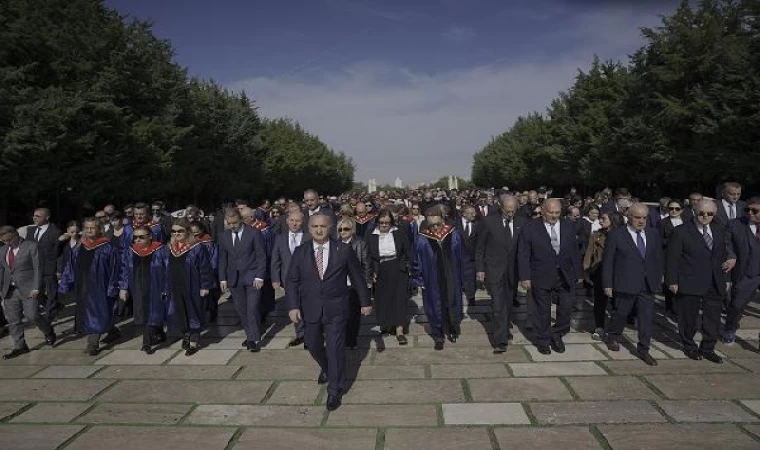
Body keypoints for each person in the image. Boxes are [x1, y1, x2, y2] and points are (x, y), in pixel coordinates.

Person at [286, 214, 372, 411]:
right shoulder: (301, 252)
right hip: (310, 309)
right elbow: (292, 280)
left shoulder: (343, 250)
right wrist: (292, 306)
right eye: (315, 226)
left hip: (337, 308)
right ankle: (326, 367)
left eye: (323, 226)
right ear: (309, 228)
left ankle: (334, 390)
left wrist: (365, 302)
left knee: (335, 348)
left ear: (330, 228)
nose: (319, 230)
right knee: (314, 345)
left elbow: (357, 278)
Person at [665, 200, 732, 363]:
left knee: (713, 319)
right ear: (694, 211)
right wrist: (672, 280)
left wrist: (727, 279)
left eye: (710, 214)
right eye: (702, 212)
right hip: (689, 280)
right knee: (689, 318)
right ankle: (689, 346)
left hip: (715, 281)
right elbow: (671, 258)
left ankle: (708, 348)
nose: (705, 216)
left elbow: (723, 256)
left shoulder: (718, 230)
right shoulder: (681, 231)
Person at [518, 198, 583, 355]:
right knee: (542, 311)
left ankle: (557, 333)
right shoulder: (530, 228)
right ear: (543, 210)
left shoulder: (568, 226)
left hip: (565, 274)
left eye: (557, 213)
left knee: (566, 308)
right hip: (540, 274)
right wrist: (525, 276)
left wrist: (579, 272)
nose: (554, 216)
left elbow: (574, 251)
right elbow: (524, 253)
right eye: (550, 212)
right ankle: (543, 340)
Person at [602, 203, 664, 366]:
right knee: (621, 313)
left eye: (644, 217)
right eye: (637, 217)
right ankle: (613, 336)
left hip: (647, 284)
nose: (641, 221)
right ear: (628, 217)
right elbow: (608, 261)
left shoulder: (653, 234)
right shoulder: (616, 235)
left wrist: (658, 278)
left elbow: (658, 258)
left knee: (646, 318)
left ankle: (644, 349)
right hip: (625, 283)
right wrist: (608, 284)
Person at [58, 217, 120, 356]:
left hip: (101, 287)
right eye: (86, 228)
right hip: (83, 286)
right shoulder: (79, 247)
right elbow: (70, 267)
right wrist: (65, 284)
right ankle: (113, 330)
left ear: (99, 229)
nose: (89, 230)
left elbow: (116, 269)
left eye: (92, 228)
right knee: (91, 314)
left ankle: (92, 344)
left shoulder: (108, 247)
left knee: (97, 314)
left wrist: (114, 287)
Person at [475, 195, 526, 353]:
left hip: (513, 271)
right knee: (498, 305)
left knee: (508, 304)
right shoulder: (488, 222)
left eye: (513, 211)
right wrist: (480, 269)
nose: (510, 214)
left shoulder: (522, 222)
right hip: (494, 269)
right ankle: (500, 341)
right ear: (500, 207)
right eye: (507, 211)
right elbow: (480, 248)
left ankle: (504, 328)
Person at [411, 210, 465, 350]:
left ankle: (453, 328)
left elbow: (462, 257)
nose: (435, 228)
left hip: (452, 277)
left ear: (443, 220)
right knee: (434, 307)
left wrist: (464, 277)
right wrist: (419, 279)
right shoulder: (422, 238)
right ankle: (438, 336)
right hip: (432, 280)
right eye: (432, 225)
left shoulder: (454, 234)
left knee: (452, 302)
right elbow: (416, 261)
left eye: (437, 224)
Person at [0, 226, 56, 359]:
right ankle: (20, 346)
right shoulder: (2, 250)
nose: (7, 243)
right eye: (4, 241)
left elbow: (38, 268)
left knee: (33, 315)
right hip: (9, 290)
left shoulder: (31, 246)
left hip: (29, 288)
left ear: (15, 234)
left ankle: (48, 331)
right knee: (14, 320)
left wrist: (37, 287)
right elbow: (2, 270)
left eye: (9, 239)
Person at [218, 208, 267, 351]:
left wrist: (260, 276)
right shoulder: (223, 236)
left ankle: (255, 339)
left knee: (252, 309)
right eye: (229, 223)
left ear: (240, 219)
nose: (232, 225)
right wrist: (222, 279)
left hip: (252, 277)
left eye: (235, 222)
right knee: (242, 310)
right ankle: (250, 335)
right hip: (234, 279)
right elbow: (222, 259)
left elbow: (261, 256)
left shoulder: (254, 233)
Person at [118, 225, 169, 355]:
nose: (137, 240)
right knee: (143, 314)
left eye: (141, 237)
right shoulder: (130, 251)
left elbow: (168, 270)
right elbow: (124, 270)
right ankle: (159, 333)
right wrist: (123, 287)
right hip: (137, 287)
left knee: (153, 313)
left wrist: (167, 288)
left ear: (150, 236)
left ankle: (146, 343)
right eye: (135, 237)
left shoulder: (161, 250)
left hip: (156, 287)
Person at [166, 218, 214, 356]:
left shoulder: (198, 247)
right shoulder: (171, 248)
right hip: (176, 286)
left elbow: (205, 267)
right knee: (180, 312)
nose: (177, 234)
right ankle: (186, 334)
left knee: (194, 312)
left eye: (180, 231)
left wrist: (205, 286)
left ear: (188, 231)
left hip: (192, 286)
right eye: (174, 231)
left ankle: (194, 341)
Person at [367, 209, 412, 344]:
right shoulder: (370, 234)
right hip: (380, 268)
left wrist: (406, 266)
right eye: (381, 222)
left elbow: (407, 250)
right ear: (377, 222)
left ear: (391, 222)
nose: (384, 225)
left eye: (387, 222)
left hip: (397, 267)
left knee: (399, 298)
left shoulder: (399, 232)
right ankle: (385, 325)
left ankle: (399, 330)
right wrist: (371, 271)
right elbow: (367, 255)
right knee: (383, 299)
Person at [723, 196, 760, 343]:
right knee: (737, 305)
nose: (750, 213)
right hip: (747, 272)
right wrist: (731, 256)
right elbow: (726, 243)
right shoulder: (735, 224)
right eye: (747, 209)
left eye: (755, 210)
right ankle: (730, 328)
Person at [271, 210, 310, 347]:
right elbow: (275, 260)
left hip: (307, 278)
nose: (294, 223)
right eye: (292, 220)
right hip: (288, 280)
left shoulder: (308, 237)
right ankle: (300, 334)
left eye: (297, 221)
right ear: (287, 221)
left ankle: (309, 335)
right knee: (294, 306)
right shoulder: (280, 238)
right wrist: (275, 279)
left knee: (307, 307)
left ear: (302, 222)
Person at [583, 212, 624, 340]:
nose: (600, 221)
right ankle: (599, 327)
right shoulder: (596, 235)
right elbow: (589, 253)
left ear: (613, 220)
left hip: (617, 273)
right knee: (600, 301)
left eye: (603, 219)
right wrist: (586, 271)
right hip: (599, 271)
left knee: (617, 303)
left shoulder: (623, 235)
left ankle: (614, 329)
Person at [337, 217, 372, 349]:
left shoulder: (360, 243)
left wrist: (367, 284)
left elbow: (367, 264)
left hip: (355, 284)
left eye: (346, 229)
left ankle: (351, 341)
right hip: (339, 283)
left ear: (352, 230)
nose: (342, 232)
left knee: (353, 314)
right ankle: (343, 338)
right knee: (341, 314)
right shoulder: (335, 243)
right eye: (340, 229)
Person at [26, 207, 63, 320]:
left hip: (49, 268)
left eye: (38, 216)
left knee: (52, 293)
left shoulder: (55, 232)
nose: (34, 218)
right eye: (34, 215)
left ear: (47, 217)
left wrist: (59, 270)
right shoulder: (31, 230)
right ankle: (55, 307)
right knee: (37, 294)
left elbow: (59, 252)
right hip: (34, 269)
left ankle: (49, 318)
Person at [190, 221, 219, 324]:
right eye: (191, 233)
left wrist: (210, 272)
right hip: (194, 273)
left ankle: (212, 313)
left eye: (196, 233)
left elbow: (213, 260)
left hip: (207, 272)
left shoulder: (208, 242)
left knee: (210, 297)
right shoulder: (190, 243)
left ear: (202, 230)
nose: (194, 235)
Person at [660, 199, 686, 315]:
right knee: (670, 280)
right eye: (671, 208)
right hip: (668, 255)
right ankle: (670, 307)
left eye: (677, 209)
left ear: (682, 210)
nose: (674, 211)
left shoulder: (687, 221)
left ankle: (681, 305)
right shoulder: (662, 222)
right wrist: (672, 241)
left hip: (685, 256)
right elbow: (658, 240)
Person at [456, 205, 480, 307]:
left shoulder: (478, 224)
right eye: (471, 213)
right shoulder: (455, 224)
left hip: (472, 257)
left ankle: (471, 297)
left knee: (471, 279)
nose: (474, 215)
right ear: (464, 214)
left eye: (474, 213)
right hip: (458, 256)